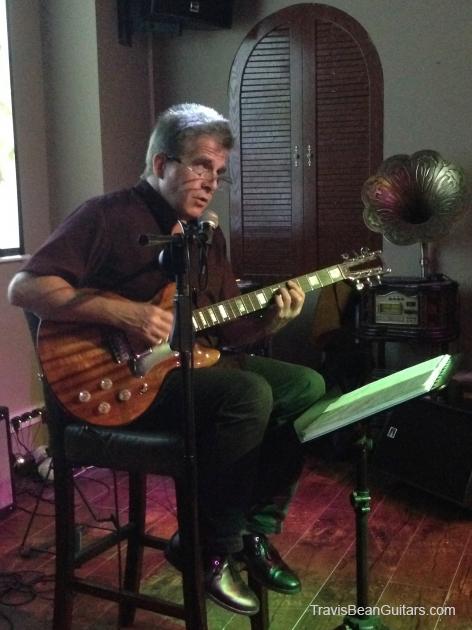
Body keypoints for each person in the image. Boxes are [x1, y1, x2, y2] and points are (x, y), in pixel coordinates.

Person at [8, 103, 325, 616]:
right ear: (161, 164)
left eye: (218, 172)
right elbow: (24, 288)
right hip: (117, 384)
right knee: (248, 394)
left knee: (306, 386)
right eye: (200, 166)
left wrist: (272, 321)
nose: (211, 182)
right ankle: (211, 552)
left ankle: (252, 530)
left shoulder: (207, 236)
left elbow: (227, 332)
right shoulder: (106, 216)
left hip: (186, 368)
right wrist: (125, 313)